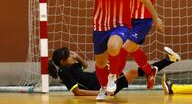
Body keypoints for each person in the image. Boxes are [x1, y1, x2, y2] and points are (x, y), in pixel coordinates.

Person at [77, 0, 164, 100]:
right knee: (100, 63)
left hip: (120, 26)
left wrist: (156, 18)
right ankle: (103, 89)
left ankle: (113, 76)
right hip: (99, 27)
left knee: (114, 46)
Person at [48, 46, 181, 96]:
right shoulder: (63, 72)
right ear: (62, 62)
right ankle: (169, 60)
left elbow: (85, 66)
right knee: (134, 72)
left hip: (98, 77)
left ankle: (168, 61)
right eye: (70, 56)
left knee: (116, 56)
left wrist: (77, 57)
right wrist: (102, 92)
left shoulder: (70, 65)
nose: (72, 56)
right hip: (102, 85)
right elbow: (77, 92)